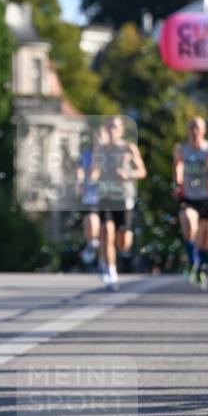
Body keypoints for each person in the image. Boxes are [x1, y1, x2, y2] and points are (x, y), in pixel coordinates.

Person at [92, 115, 147, 291]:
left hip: (124, 198)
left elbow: (142, 171)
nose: (112, 130)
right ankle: (111, 272)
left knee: (124, 243)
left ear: (122, 130)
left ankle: (107, 258)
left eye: (115, 127)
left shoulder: (129, 148)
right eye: (109, 127)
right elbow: (92, 172)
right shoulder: (101, 150)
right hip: (106, 196)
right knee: (107, 232)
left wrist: (128, 174)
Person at [173, 116, 208, 290]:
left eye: (198, 128)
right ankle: (192, 261)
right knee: (190, 224)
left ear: (204, 130)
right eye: (191, 128)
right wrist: (178, 182)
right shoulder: (181, 149)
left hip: (206, 197)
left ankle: (200, 268)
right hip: (188, 197)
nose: (194, 131)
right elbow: (177, 169)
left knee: (204, 238)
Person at [75, 126, 106, 267]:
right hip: (92, 196)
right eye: (97, 137)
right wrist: (79, 182)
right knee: (91, 223)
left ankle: (103, 259)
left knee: (108, 233)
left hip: (109, 198)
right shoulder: (87, 154)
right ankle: (91, 244)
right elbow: (83, 172)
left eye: (101, 137)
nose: (99, 140)